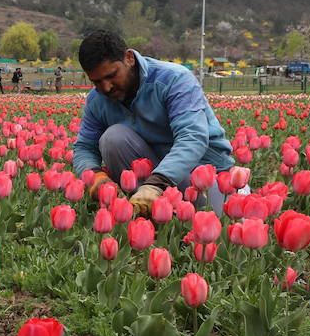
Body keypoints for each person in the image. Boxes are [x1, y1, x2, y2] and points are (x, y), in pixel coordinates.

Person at [72, 30, 234, 216]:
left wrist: (156, 184)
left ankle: (166, 210)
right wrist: (94, 175)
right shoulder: (98, 99)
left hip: (202, 172)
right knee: (113, 137)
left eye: (112, 75)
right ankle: (144, 215)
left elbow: (192, 137)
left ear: (129, 58)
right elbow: (84, 147)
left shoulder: (173, 79)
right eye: (97, 82)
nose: (106, 87)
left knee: (217, 229)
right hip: (153, 176)